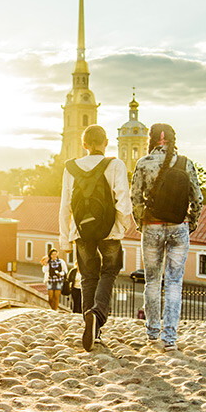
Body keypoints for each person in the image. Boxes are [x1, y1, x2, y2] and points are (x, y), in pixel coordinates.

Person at [130, 122, 203, 351]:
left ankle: (152, 332)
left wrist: (141, 223)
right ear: (172, 139)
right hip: (178, 228)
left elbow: (135, 198)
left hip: (152, 226)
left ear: (151, 140)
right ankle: (169, 338)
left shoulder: (143, 163)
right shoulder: (185, 163)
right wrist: (191, 222)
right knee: (173, 283)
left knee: (152, 281)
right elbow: (197, 198)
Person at [59, 125, 132, 352]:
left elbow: (65, 205)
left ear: (84, 144)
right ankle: (97, 314)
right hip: (109, 230)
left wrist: (65, 240)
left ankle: (92, 329)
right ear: (106, 142)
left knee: (88, 277)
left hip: (81, 230)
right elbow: (123, 199)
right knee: (109, 272)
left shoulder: (70, 168)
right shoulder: (115, 164)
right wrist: (123, 225)